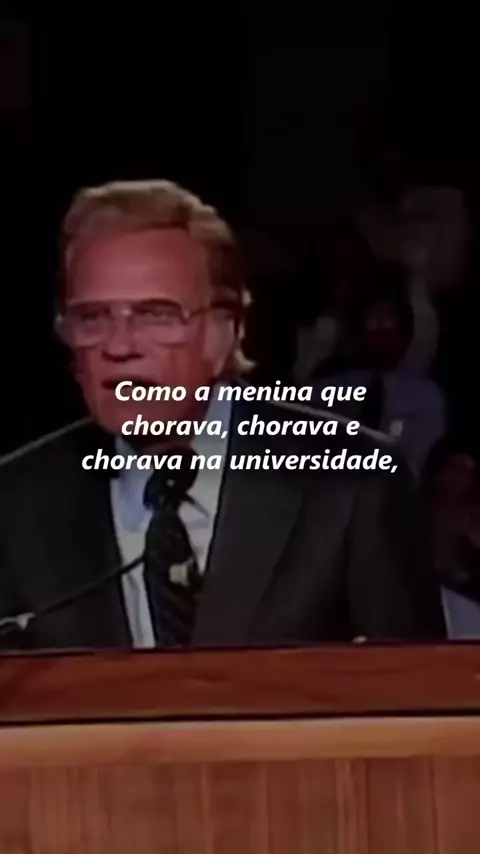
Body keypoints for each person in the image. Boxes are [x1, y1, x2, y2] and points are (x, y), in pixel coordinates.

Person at [0, 180, 445, 650]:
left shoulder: (355, 484)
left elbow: (419, 688)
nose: (118, 346)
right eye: (92, 318)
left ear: (224, 332)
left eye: (156, 315)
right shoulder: (14, 505)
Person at [312, 268, 447, 476]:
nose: (381, 330)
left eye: (389, 320)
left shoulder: (427, 398)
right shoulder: (329, 388)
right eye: (373, 320)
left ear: (406, 331)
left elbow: (416, 463)